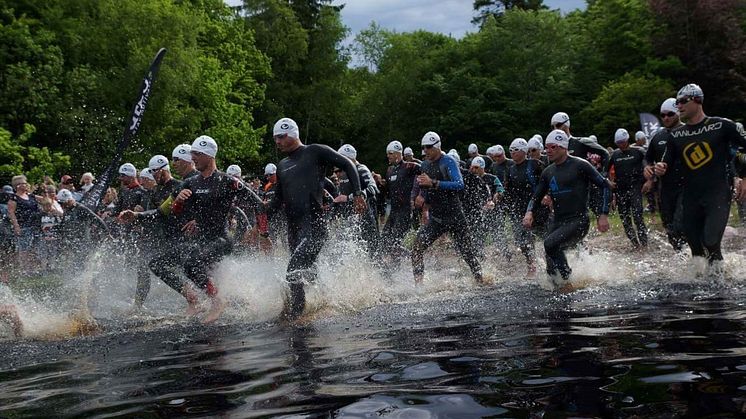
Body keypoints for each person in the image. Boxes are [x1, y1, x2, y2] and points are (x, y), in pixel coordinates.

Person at [266, 117, 365, 320]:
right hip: (294, 229)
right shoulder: (282, 165)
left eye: (281, 137)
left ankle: (297, 315)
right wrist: (260, 222)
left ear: (293, 134)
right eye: (275, 138)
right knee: (307, 272)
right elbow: (277, 199)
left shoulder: (314, 151)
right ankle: (324, 303)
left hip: (315, 226)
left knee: (293, 272)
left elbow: (347, 164)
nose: (277, 141)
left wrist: (358, 194)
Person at [655, 83, 746, 277]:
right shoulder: (677, 135)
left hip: (718, 194)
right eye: (676, 102)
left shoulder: (722, 125)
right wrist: (660, 168)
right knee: (695, 246)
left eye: (682, 102)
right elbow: (665, 162)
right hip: (691, 196)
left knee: (711, 241)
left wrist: (743, 177)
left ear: (697, 100)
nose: (677, 106)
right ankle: (700, 285)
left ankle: (720, 283)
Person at [523, 129, 611, 286]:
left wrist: (603, 214)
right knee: (550, 268)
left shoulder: (580, 165)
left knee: (550, 244)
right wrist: (529, 212)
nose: (548, 151)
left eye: (552, 147)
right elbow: (536, 197)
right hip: (558, 221)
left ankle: (568, 281)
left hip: (579, 221)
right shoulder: (548, 172)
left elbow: (605, 185)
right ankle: (562, 287)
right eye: (546, 147)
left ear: (563, 147)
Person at [411, 131, 483, 285]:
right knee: (416, 249)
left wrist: (435, 183)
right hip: (437, 217)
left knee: (467, 253)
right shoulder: (424, 164)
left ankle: (480, 279)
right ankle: (419, 285)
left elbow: (459, 185)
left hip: (455, 216)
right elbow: (425, 184)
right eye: (423, 148)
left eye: (429, 147)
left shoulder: (448, 161)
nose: (425, 151)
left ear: (437, 147)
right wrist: (422, 197)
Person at [644, 98, 687, 251]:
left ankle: (695, 254)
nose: (666, 118)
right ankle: (682, 257)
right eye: (663, 115)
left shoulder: (689, 132)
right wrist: (647, 168)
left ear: (678, 113)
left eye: (670, 114)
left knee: (679, 224)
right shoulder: (658, 137)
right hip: (666, 188)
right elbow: (648, 158)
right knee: (669, 227)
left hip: (687, 186)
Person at [551, 112, 610, 217]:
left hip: (585, 186)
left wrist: (604, 174)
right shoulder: (554, 148)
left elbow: (605, 153)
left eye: (558, 125)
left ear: (567, 124)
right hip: (567, 189)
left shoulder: (581, 142)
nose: (556, 129)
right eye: (553, 126)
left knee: (597, 214)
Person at [378, 140, 420, 270]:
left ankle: (414, 256)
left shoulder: (409, 166)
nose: (388, 156)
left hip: (405, 211)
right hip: (394, 212)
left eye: (390, 153)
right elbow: (389, 191)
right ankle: (395, 269)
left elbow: (426, 169)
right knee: (384, 241)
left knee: (394, 242)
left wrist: (420, 195)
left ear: (398, 153)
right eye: (387, 154)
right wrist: (381, 183)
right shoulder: (390, 170)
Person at [505, 138, 544, 275]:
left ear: (523, 151)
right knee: (522, 240)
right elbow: (508, 191)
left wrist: (548, 196)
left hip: (538, 206)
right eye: (510, 151)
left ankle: (553, 258)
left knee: (546, 235)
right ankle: (531, 264)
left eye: (515, 150)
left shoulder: (535, 164)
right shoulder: (510, 170)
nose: (512, 153)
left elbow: (546, 181)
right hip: (520, 208)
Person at [334, 144, 380, 258]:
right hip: (350, 217)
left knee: (372, 253)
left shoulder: (361, 169)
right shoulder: (344, 172)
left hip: (366, 216)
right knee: (347, 251)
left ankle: (384, 275)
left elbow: (373, 188)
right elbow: (342, 196)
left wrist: (349, 197)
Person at [607, 128, 647, 249]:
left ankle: (644, 243)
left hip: (635, 187)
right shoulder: (614, 154)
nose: (621, 145)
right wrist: (608, 182)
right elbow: (604, 171)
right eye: (619, 143)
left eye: (623, 142)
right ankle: (635, 244)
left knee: (638, 215)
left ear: (627, 140)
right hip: (621, 189)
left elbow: (647, 165)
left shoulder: (639, 151)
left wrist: (649, 181)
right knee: (624, 218)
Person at [7, 175, 41, 274]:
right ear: (17, 186)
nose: (26, 185)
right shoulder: (14, 198)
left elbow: (44, 201)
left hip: (35, 225)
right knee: (24, 248)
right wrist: (16, 226)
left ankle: (33, 267)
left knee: (34, 247)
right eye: (24, 183)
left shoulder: (31, 196)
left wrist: (47, 193)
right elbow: (11, 213)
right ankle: (25, 269)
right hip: (24, 226)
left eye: (26, 183)